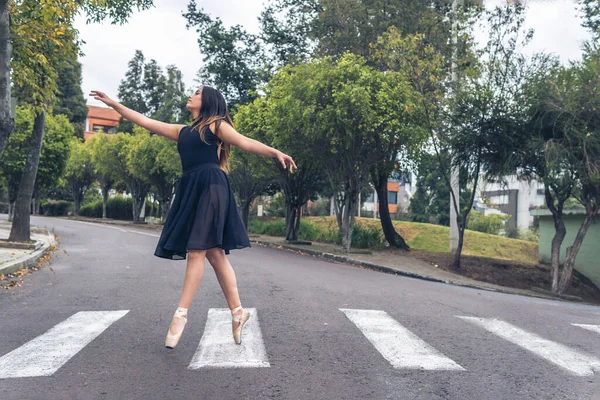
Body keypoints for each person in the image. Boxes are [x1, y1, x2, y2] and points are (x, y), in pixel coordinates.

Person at [89, 86, 296, 349]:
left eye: (196, 92)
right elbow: (143, 120)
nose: (191, 94)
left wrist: (275, 152)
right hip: (192, 189)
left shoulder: (216, 126)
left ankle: (181, 315)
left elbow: (244, 141)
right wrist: (113, 104)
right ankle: (238, 312)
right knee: (214, 254)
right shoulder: (182, 132)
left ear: (207, 101)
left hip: (211, 186)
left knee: (196, 250)